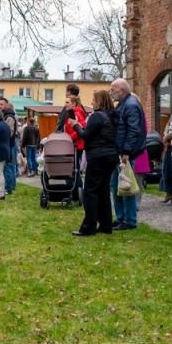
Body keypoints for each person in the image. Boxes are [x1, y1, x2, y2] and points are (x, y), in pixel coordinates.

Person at [73, 90, 118, 237]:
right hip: (110, 156)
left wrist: (76, 125)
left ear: (99, 101)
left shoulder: (97, 116)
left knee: (90, 192)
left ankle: (89, 226)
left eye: (93, 100)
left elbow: (86, 135)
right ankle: (105, 225)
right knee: (103, 191)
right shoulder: (112, 116)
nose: (91, 102)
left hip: (98, 156)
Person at [110, 78, 147, 230]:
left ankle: (129, 220)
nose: (111, 93)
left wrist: (126, 151)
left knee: (126, 186)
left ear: (122, 90)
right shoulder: (123, 104)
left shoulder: (130, 105)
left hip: (125, 153)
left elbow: (133, 130)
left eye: (113, 90)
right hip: (119, 151)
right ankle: (121, 217)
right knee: (116, 185)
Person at [59, 84, 87, 200]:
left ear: (73, 103)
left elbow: (81, 127)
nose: (65, 105)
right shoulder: (72, 112)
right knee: (71, 168)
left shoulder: (77, 112)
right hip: (71, 144)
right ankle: (73, 191)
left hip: (75, 145)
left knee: (73, 169)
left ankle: (76, 192)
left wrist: (70, 138)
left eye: (67, 103)